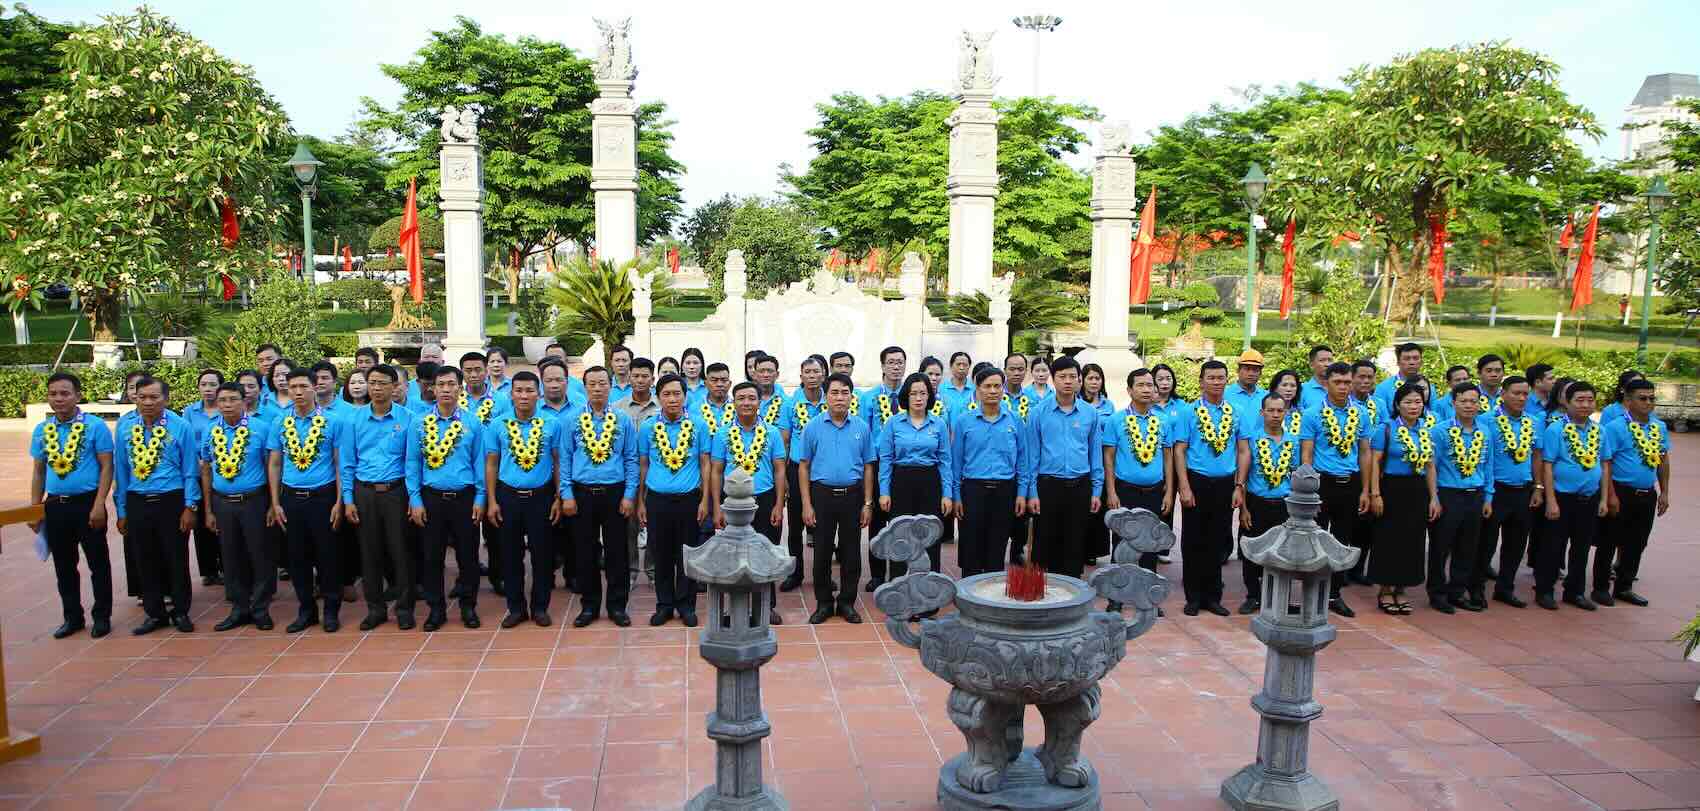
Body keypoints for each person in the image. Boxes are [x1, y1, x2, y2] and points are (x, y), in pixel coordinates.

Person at [30, 372, 116, 639]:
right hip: (55, 505)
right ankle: (72, 616)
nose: (59, 399)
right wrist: (34, 508)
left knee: (97, 562)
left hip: (87, 503)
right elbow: (39, 471)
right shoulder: (43, 430)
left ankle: (101, 616)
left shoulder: (94, 426)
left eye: (65, 393)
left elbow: (106, 467)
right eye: (53, 393)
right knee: (64, 565)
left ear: (78, 396)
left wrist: (100, 503)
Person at [114, 375, 200, 635]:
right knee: (144, 557)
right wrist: (122, 509)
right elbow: (121, 470)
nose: (148, 402)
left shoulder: (180, 426)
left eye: (154, 397)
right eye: (143, 397)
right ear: (135, 398)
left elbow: (190, 469)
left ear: (166, 398)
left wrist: (190, 505)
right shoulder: (125, 427)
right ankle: (154, 613)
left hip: (171, 500)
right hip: (137, 499)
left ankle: (181, 611)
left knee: (176, 556)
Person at [406, 365, 486, 632]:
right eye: (441, 385)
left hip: (465, 498)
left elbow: (479, 463)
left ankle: (468, 606)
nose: (446, 390)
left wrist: (480, 497)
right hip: (431, 498)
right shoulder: (418, 423)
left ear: (460, 388)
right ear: (433, 388)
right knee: (432, 557)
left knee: (468, 556)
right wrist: (415, 500)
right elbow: (412, 463)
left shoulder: (472, 422)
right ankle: (436, 609)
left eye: (452, 384)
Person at [267, 369, 346, 633]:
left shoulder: (333, 421)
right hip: (291, 497)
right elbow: (276, 462)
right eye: (293, 387)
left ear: (315, 388)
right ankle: (306, 610)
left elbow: (338, 463)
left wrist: (339, 501)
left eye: (303, 386)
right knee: (297, 558)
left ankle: (332, 609)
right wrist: (275, 502)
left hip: (323, 497)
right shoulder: (279, 422)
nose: (298, 392)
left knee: (328, 556)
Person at [561, 365, 639, 627]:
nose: (597, 388)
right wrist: (567, 495)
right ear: (585, 387)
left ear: (610, 385)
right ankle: (589, 606)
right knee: (585, 551)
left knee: (617, 552)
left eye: (602, 383)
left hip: (615, 493)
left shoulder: (623, 419)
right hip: (582, 494)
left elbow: (630, 459)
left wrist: (629, 495)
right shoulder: (571, 420)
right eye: (592, 384)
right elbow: (565, 460)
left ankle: (617, 606)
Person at [341, 364, 415, 631]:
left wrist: (413, 498)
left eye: (383, 383)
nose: (376, 388)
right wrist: (348, 499)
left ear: (394, 386)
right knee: (369, 553)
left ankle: (405, 608)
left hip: (396, 492)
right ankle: (375, 609)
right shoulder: (354, 420)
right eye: (372, 382)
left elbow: (412, 462)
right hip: (365, 493)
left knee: (400, 552)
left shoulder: (408, 418)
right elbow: (347, 463)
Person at [483, 371, 560, 628]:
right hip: (508, 497)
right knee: (510, 555)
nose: (524, 396)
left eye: (529, 390)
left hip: (541, 496)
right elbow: (491, 463)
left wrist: (559, 497)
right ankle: (515, 608)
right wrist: (492, 501)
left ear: (538, 394)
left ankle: (540, 607)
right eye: (519, 390)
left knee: (542, 555)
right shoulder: (498, 424)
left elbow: (559, 463)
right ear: (511, 394)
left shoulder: (551, 423)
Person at [710, 381, 789, 621]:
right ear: (734, 403)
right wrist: (717, 507)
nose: (746, 403)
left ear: (759, 402)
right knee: (733, 553)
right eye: (741, 398)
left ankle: (766, 606)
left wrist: (779, 503)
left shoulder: (772, 432)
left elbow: (779, 469)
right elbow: (716, 470)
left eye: (751, 398)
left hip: (763, 499)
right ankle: (732, 607)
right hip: (731, 503)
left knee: (765, 552)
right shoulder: (723, 433)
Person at [800, 373, 875, 624]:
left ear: (851, 396)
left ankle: (846, 602)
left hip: (852, 496)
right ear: (826, 396)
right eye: (834, 392)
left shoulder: (862, 428)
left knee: (851, 552)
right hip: (822, 496)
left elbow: (867, 467)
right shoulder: (813, 426)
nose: (840, 397)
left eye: (845, 392)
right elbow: (803, 466)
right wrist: (807, 504)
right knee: (821, 552)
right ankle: (823, 603)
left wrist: (867, 503)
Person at [200, 382, 276, 632]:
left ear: (244, 402)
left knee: (260, 554)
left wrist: (271, 504)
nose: (227, 405)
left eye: (233, 399)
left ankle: (261, 609)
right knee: (231, 556)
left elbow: (271, 466)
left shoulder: (261, 429)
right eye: (223, 400)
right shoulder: (211, 431)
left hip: (254, 500)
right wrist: (209, 509)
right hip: (223, 502)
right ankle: (239, 608)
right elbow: (207, 470)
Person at [637, 374, 711, 627]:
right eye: (666, 394)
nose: (672, 399)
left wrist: (705, 502)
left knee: (687, 555)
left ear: (685, 396)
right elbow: (643, 465)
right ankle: (664, 605)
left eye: (677, 394)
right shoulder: (647, 427)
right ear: (658, 397)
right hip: (657, 500)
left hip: (689, 500)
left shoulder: (699, 425)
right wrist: (640, 502)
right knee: (662, 554)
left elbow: (705, 464)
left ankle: (686, 605)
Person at [1297, 361, 1370, 617]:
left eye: (1347, 382)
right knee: (1314, 539)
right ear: (1326, 383)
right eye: (1337, 382)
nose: (1343, 387)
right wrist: (1308, 489)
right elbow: (1306, 452)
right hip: (1321, 483)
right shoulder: (1312, 414)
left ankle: (1334, 594)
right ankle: (1310, 592)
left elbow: (1364, 452)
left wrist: (1366, 489)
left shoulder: (1361, 413)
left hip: (1349, 483)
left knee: (1342, 540)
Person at [1025, 356, 1102, 580]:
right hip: (1048, 485)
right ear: (1053, 379)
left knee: (1074, 540)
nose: (1067, 381)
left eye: (1072, 376)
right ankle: (1043, 592)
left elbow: (1094, 452)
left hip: (1080, 485)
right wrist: (1032, 492)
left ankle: (1071, 589)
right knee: (1044, 541)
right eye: (1062, 377)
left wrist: (1096, 490)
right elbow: (1032, 457)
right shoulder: (1038, 413)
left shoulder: (1090, 414)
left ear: (1079, 380)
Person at [1597, 378, 1670, 607]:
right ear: (1628, 401)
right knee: (1609, 540)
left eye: (1652, 398)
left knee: (1637, 541)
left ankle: (1624, 586)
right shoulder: (1615, 427)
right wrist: (1610, 495)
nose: (1648, 403)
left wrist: (1665, 492)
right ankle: (1600, 588)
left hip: (1646, 493)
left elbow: (1663, 459)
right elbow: (1606, 462)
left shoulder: (1659, 427)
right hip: (1620, 491)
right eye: (1642, 398)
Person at [1173, 361, 1237, 616]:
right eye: (1210, 377)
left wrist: (1239, 486)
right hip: (1197, 481)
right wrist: (1184, 487)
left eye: (1221, 377)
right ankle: (1193, 596)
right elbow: (1179, 450)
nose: (1216, 382)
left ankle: (1213, 596)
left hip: (1225, 483)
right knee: (1193, 540)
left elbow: (1242, 449)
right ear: (1201, 382)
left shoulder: (1235, 412)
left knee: (1218, 539)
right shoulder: (1189, 412)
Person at [1424, 385, 1495, 614]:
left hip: (1475, 494)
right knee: (1441, 546)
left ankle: (1457, 591)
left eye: (1474, 401)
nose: (1469, 406)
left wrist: (1488, 497)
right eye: (1464, 401)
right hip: (1449, 494)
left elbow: (1488, 466)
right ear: (1453, 402)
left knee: (1467, 546)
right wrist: (1434, 497)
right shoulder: (1439, 431)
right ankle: (1437, 592)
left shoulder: (1484, 431)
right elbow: (1431, 466)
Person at [1368, 381, 1435, 614]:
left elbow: (1430, 465)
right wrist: (1375, 493)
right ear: (1397, 404)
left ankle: (1402, 588)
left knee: (1413, 540)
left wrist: (1434, 497)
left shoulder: (1426, 429)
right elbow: (1375, 463)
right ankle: (1385, 589)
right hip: (1391, 488)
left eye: (1418, 401)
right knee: (1389, 538)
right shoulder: (1386, 428)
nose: (1414, 406)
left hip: (1417, 489)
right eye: (1408, 402)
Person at [877, 372, 953, 577]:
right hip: (901, 482)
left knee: (930, 534)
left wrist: (947, 494)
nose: (918, 398)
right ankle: (898, 584)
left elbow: (946, 462)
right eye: (913, 393)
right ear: (906, 397)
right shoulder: (893, 423)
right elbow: (885, 460)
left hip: (930, 482)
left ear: (930, 396)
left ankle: (930, 587)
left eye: (923, 393)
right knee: (900, 534)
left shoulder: (938, 424)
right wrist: (884, 491)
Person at [1474, 375, 1539, 609]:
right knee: (1486, 543)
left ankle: (1505, 588)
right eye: (1516, 393)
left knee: (1516, 544)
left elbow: (1537, 456)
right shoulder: (1486, 421)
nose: (1521, 398)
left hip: (1523, 490)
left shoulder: (1533, 422)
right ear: (1503, 394)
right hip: (1495, 490)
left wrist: (1538, 487)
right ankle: (1476, 588)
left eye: (1525, 394)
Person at [1536, 381, 1602, 611]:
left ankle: (1574, 592)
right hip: (1562, 497)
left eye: (1590, 400)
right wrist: (1550, 500)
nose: (1585, 405)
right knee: (1553, 546)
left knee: (1582, 547)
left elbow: (1602, 464)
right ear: (1567, 402)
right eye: (1579, 400)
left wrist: (1603, 498)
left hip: (1589, 497)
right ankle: (1544, 590)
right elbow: (1548, 465)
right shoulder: (1556, 429)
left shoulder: (1598, 430)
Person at [1102, 369, 1173, 579]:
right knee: (1122, 540)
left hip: (1154, 491)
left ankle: (1150, 592)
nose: (1146, 389)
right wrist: (1111, 492)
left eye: (1149, 385)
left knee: (1152, 540)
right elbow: (1109, 458)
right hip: (1125, 490)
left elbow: (1168, 457)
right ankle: (1117, 595)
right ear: (1129, 390)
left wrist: (1169, 491)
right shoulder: (1116, 420)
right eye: (1140, 385)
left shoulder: (1163, 420)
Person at [1233, 392, 1298, 614]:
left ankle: (1281, 597)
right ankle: (1253, 595)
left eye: (1280, 410)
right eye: (1270, 410)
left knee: (1283, 553)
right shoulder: (1252, 439)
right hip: (1256, 502)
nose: (1275, 415)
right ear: (1262, 412)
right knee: (1252, 550)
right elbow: (1243, 475)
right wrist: (1244, 508)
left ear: (1286, 413)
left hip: (1283, 504)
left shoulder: (1293, 441)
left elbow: (1297, 473)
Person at [779, 355, 829, 592]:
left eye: (816, 372)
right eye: (807, 372)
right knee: (796, 526)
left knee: (824, 526)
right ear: (801, 376)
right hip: (797, 468)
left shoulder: (831, 402)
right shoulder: (790, 404)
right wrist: (786, 479)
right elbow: (785, 440)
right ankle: (795, 573)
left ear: (823, 375)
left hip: (823, 471)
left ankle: (823, 576)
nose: (812, 376)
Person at [860, 346, 907, 590]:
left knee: (900, 520)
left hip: (903, 464)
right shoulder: (869, 398)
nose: (896, 366)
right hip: (878, 462)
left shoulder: (910, 396)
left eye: (900, 362)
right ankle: (877, 573)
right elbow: (865, 432)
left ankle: (900, 570)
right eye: (891, 362)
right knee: (878, 521)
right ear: (882, 366)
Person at [183, 369, 225, 588]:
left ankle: (225, 565)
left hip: (223, 472)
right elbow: (185, 441)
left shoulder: (226, 409)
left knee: (222, 521)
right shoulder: (190, 412)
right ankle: (209, 569)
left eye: (213, 384)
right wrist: (198, 460)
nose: (208, 389)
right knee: (201, 522)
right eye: (204, 384)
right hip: (197, 472)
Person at [618, 357, 660, 576]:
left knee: (653, 522)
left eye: (645, 376)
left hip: (655, 472)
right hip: (625, 474)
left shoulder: (661, 408)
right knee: (628, 524)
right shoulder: (618, 409)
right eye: (636, 376)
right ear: (629, 377)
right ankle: (631, 569)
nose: (640, 380)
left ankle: (652, 569)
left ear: (653, 379)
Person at [1373, 343, 1425, 416]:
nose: (1411, 362)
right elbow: (1378, 417)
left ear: (1421, 362)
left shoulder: (1427, 387)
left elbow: (1433, 413)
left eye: (1415, 358)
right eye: (1407, 359)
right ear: (1398, 362)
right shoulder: (1383, 388)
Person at [1224, 349, 1267, 419]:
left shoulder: (1266, 396)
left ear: (1260, 373)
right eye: (1247, 369)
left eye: (1255, 370)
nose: (1251, 374)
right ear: (1238, 371)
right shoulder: (1224, 395)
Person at [1298, 346, 1334, 411]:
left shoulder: (1340, 388)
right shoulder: (1301, 390)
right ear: (1311, 365)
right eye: (1322, 360)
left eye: (1330, 360)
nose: (1327, 364)